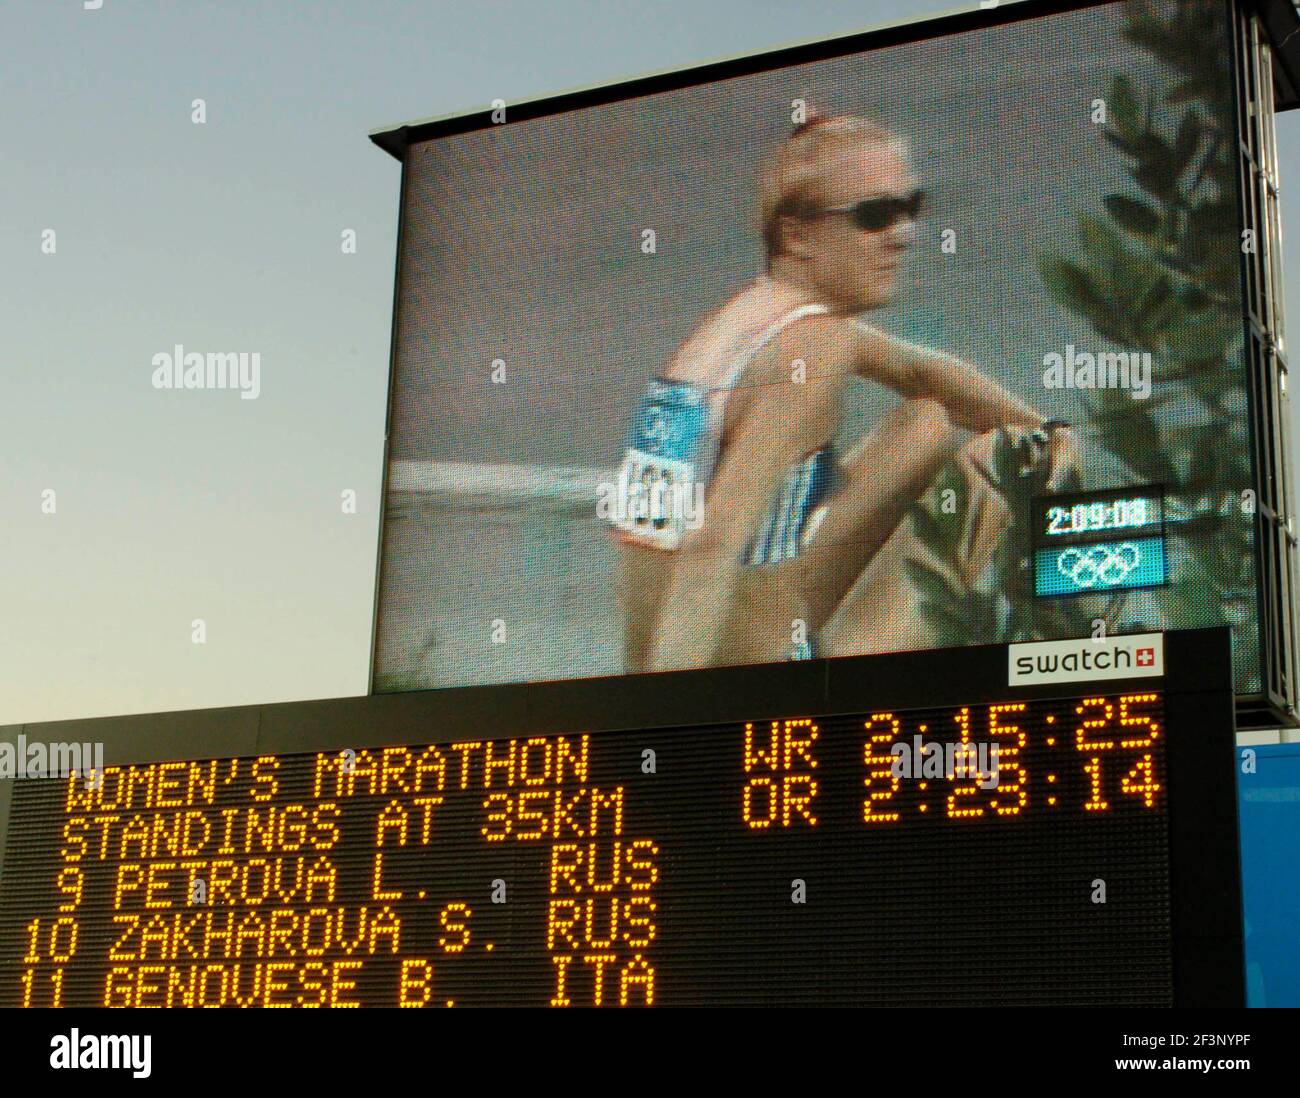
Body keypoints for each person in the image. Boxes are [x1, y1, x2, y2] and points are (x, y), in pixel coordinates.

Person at [607, 109, 1075, 672]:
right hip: (753, 679)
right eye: (874, 216)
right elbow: (714, 544)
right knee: (1019, 460)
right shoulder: (810, 352)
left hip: (711, 632)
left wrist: (1049, 426)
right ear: (797, 235)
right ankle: (1074, 639)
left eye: (910, 209)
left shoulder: (746, 323)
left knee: (930, 421)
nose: (904, 236)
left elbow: (924, 374)